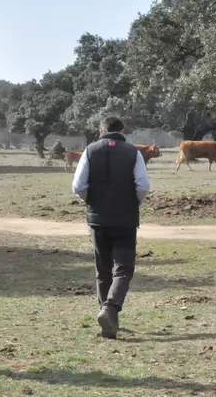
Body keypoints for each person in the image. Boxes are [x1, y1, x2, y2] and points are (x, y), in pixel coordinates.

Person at [71, 116, 151, 339]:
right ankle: (111, 308)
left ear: (100, 131)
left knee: (103, 269)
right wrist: (133, 202)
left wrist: (91, 202)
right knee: (123, 269)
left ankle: (106, 318)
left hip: (97, 220)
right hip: (125, 220)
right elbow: (143, 185)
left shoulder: (89, 150)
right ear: (122, 131)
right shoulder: (133, 152)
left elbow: (78, 185)